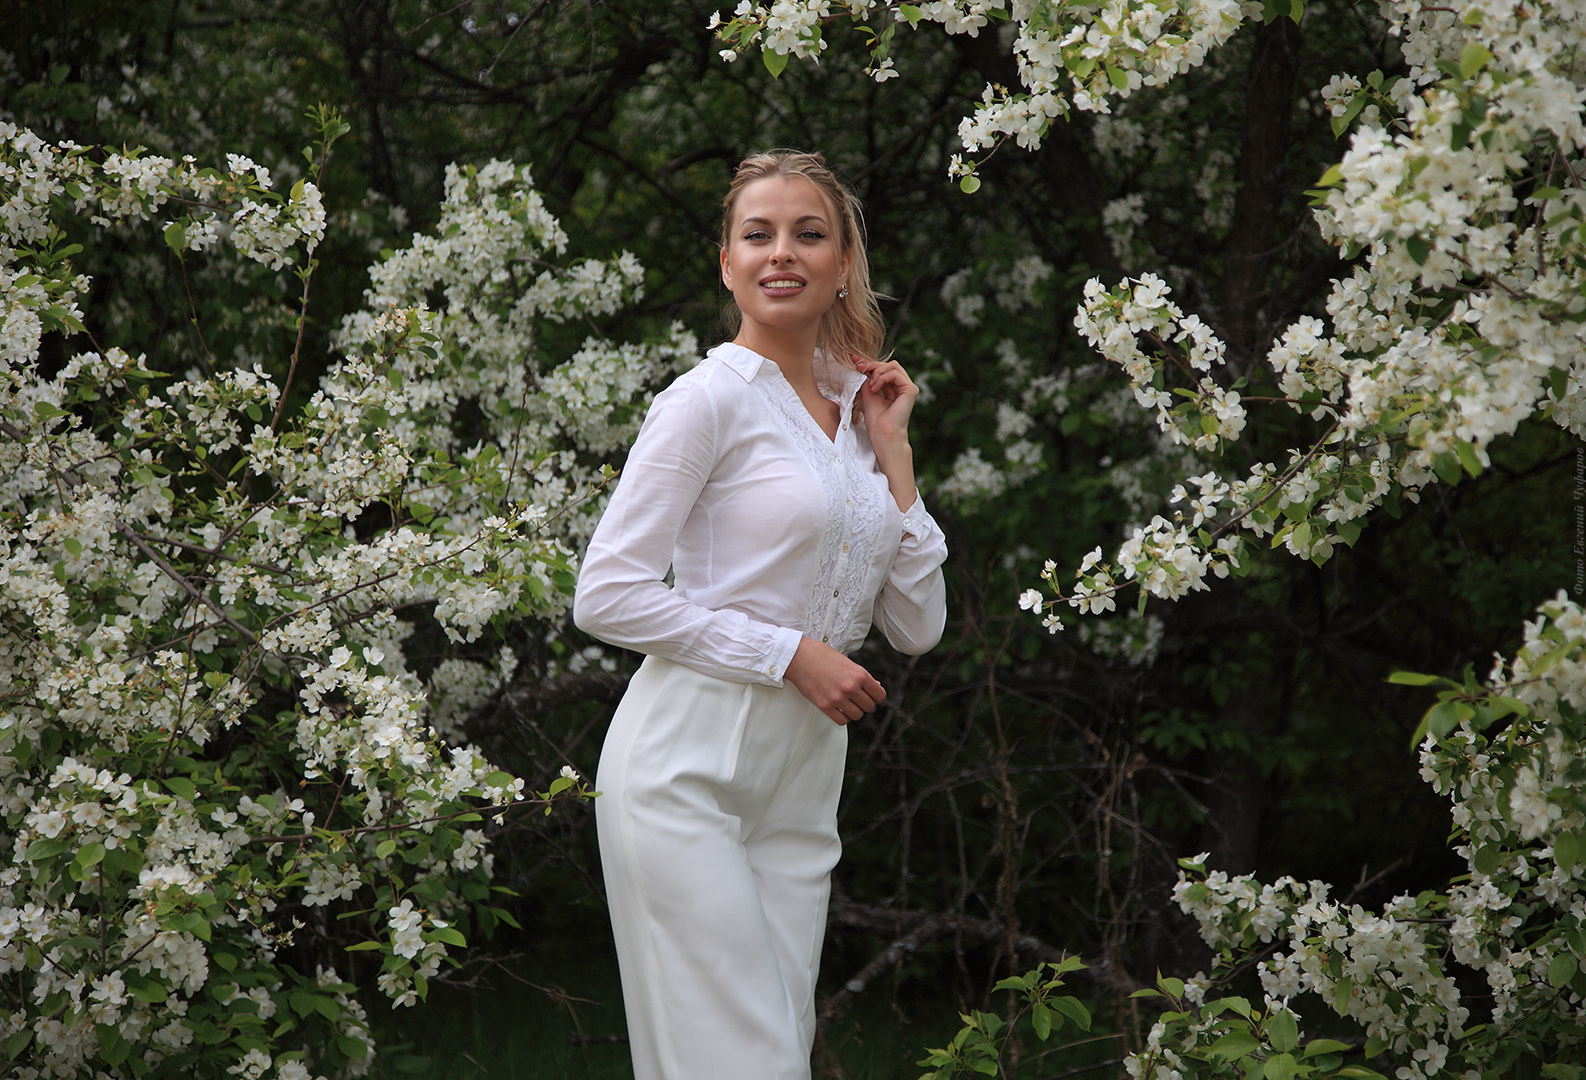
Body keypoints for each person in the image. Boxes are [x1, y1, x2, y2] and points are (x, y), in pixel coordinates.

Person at [572, 150, 949, 1080]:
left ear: (841, 263)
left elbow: (918, 628)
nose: (783, 252)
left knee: (774, 1054)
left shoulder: (860, 414)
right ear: (728, 264)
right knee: (746, 1063)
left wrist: (895, 456)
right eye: (758, 234)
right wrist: (790, 654)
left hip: (803, 781)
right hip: (683, 766)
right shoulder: (704, 401)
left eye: (808, 234)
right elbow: (606, 593)